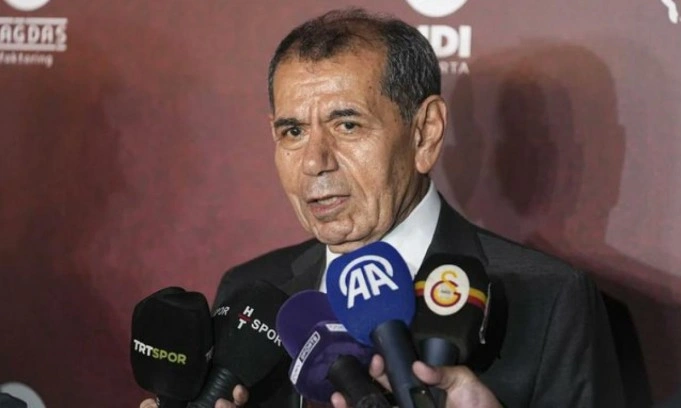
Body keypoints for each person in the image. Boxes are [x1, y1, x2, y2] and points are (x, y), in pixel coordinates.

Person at [140, 8, 624, 408]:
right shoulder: (251, 292)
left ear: (425, 133)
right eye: (293, 131)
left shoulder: (549, 299)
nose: (314, 161)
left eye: (347, 125)